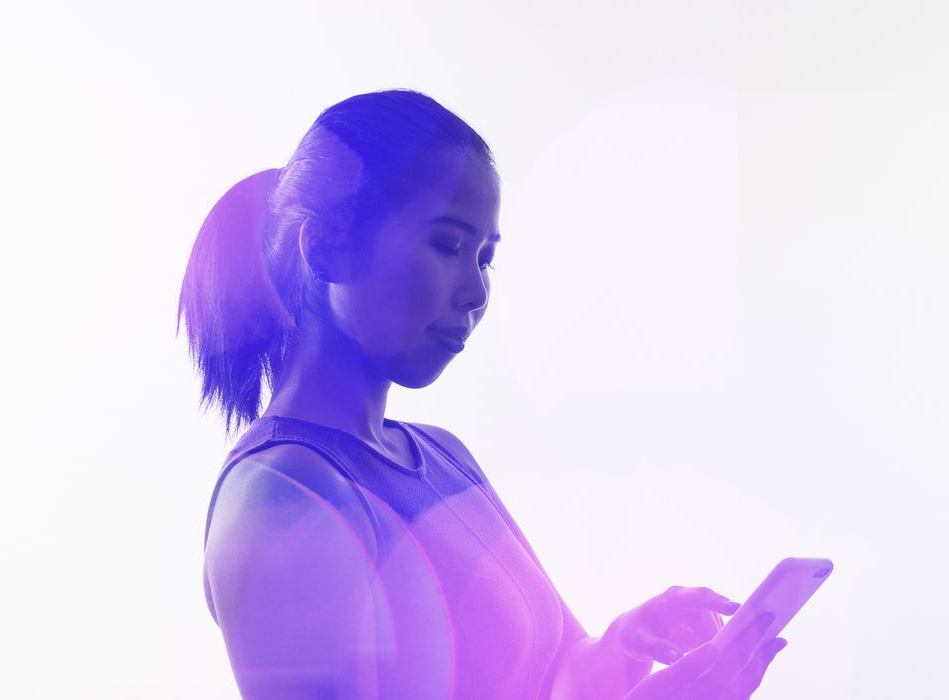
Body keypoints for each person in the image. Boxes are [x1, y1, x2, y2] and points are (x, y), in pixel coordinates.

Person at [178, 89, 787, 699]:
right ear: (329, 245)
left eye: (486, 257)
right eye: (446, 245)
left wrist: (625, 648)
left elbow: (557, 676)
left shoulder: (442, 456)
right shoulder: (280, 503)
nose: (475, 292)